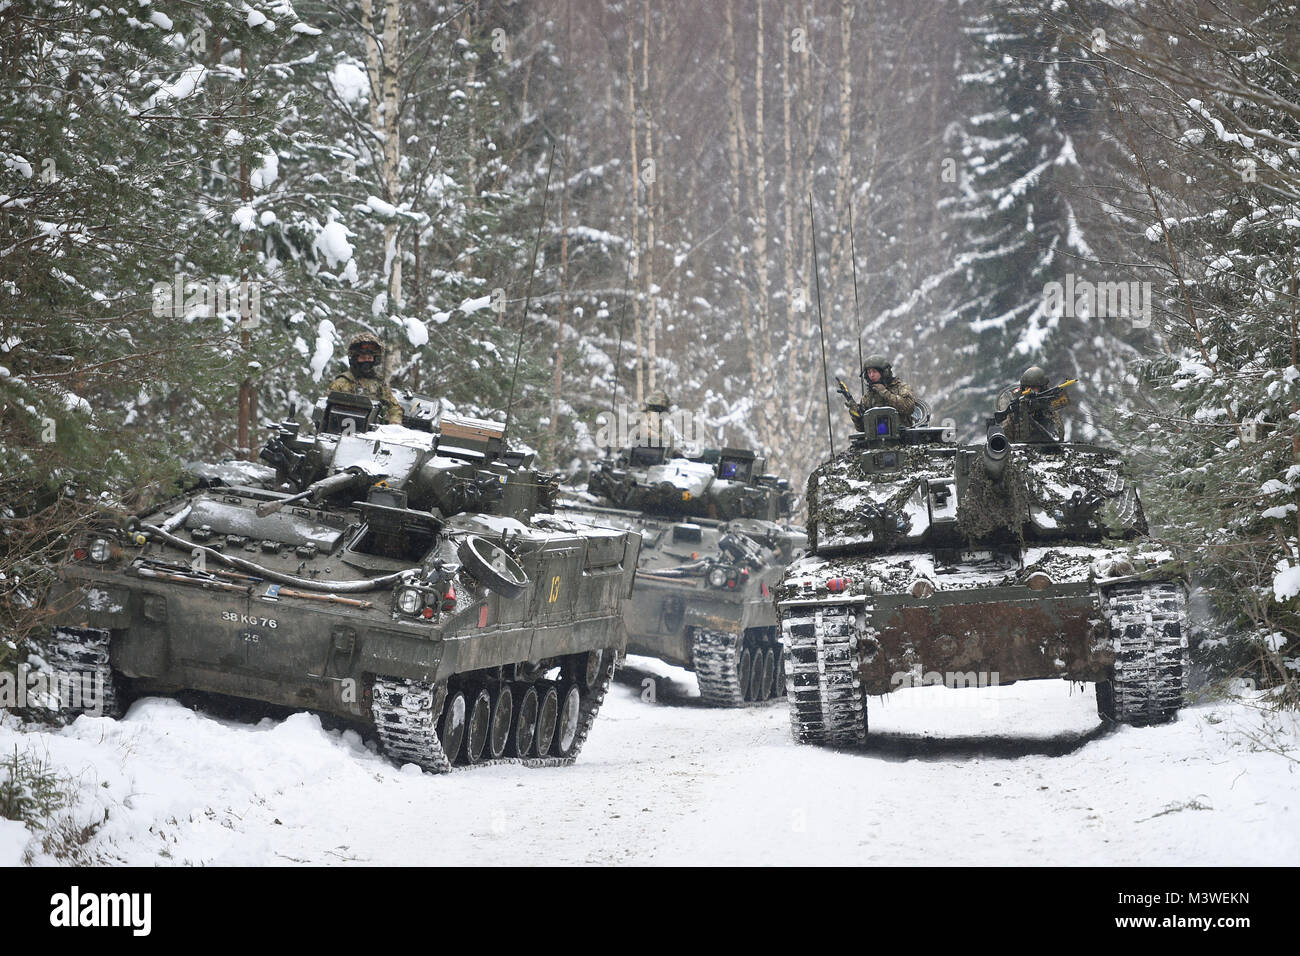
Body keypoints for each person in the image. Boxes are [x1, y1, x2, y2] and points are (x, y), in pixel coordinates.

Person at [327, 332, 404, 424]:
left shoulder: (378, 383)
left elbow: (394, 407)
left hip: (373, 432)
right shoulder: (342, 382)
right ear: (354, 358)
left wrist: (394, 424)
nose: (367, 361)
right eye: (363, 357)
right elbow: (326, 408)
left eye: (370, 357)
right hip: (344, 430)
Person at [846, 354, 917, 431]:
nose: (871, 375)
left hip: (902, 438)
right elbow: (862, 428)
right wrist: (856, 414)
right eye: (869, 372)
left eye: (874, 371)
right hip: (876, 441)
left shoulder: (901, 388)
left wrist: (885, 393)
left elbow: (909, 408)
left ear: (884, 372)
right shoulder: (868, 397)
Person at [999, 365, 1064, 441]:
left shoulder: (1049, 405)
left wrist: (1041, 413)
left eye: (1033, 388)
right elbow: (1006, 434)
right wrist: (1023, 411)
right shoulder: (1015, 407)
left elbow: (1059, 435)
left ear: (1043, 388)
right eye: (1026, 387)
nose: (1029, 391)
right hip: (1020, 449)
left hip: (1045, 449)